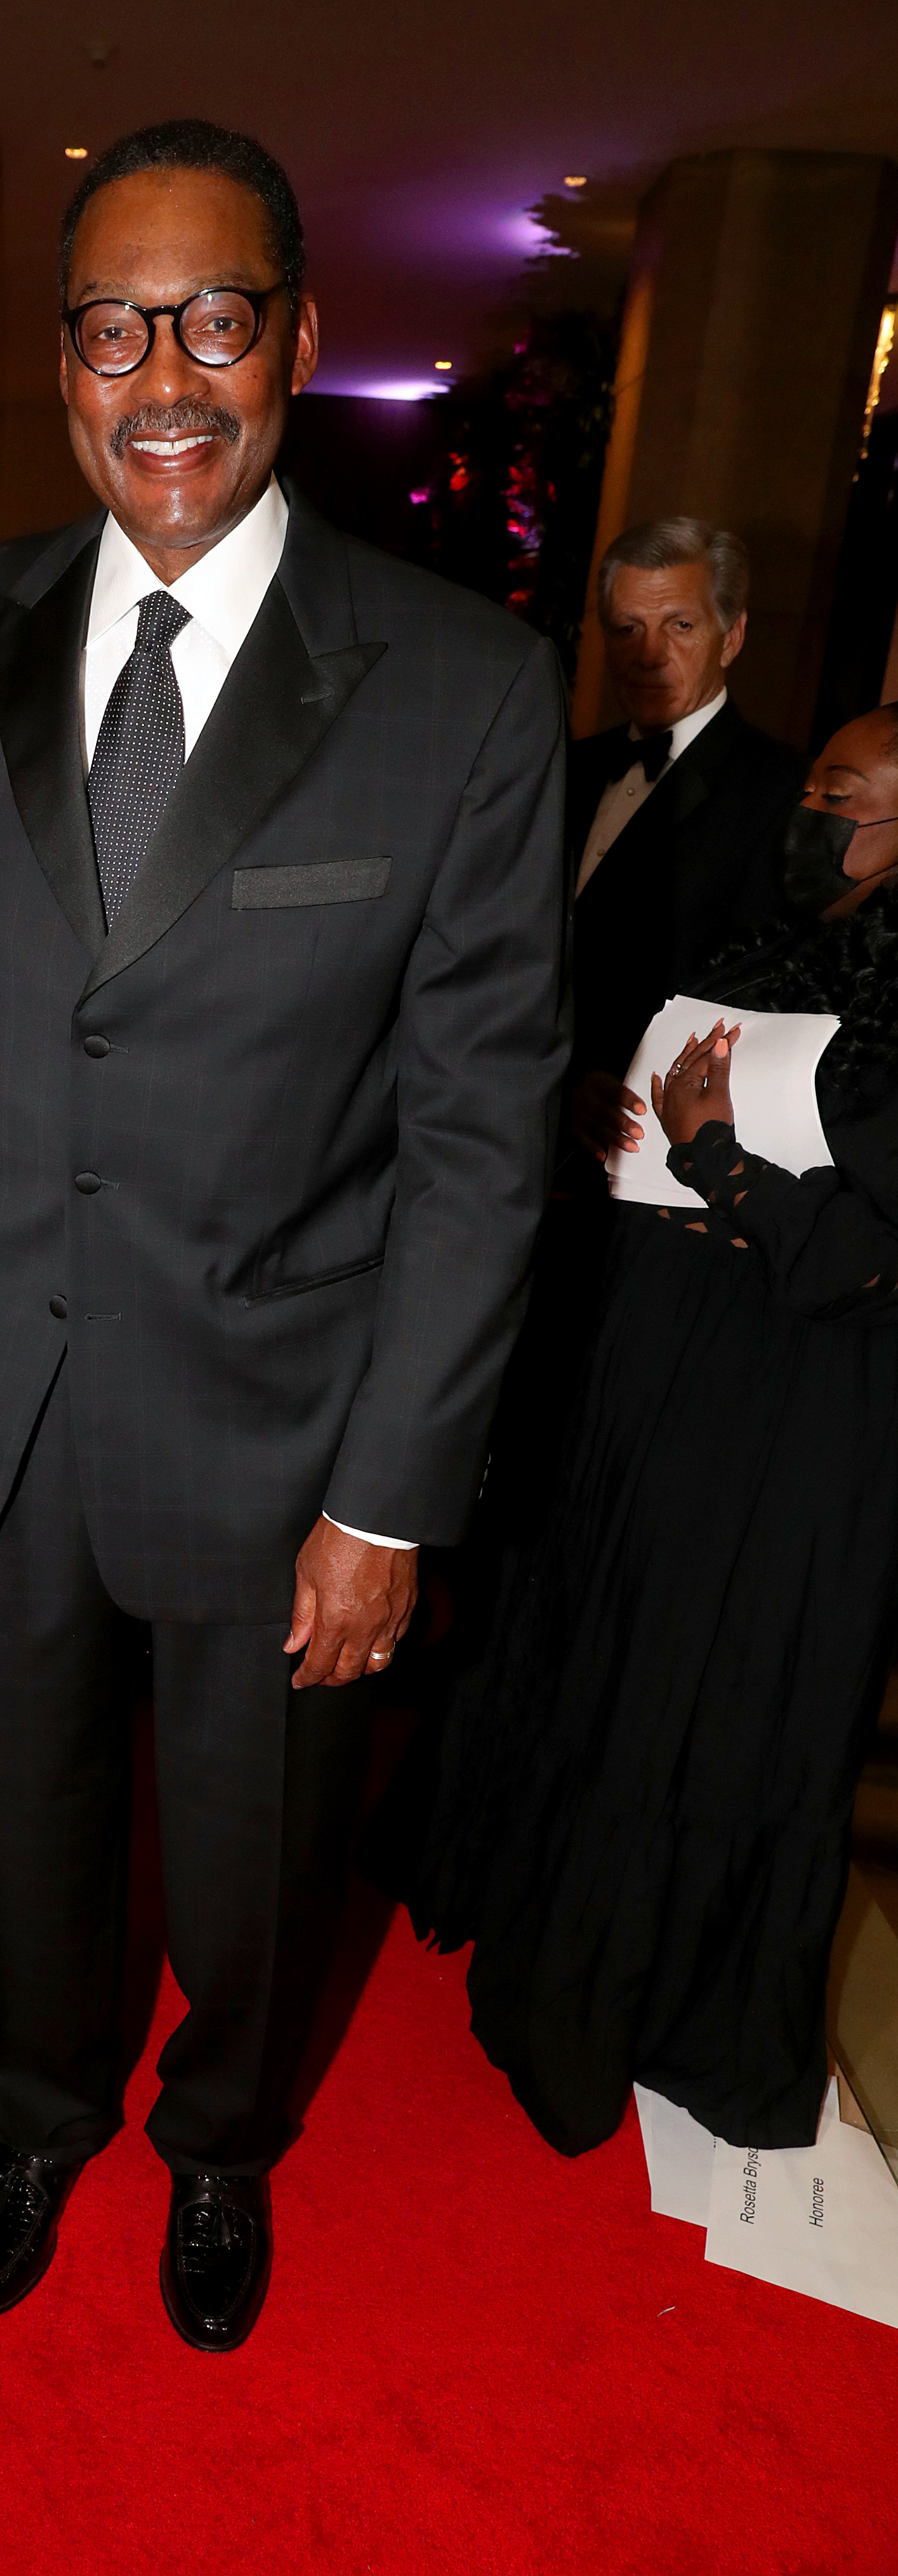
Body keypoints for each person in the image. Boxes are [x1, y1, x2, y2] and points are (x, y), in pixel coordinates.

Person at [0, 120, 569, 2352]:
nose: (160, 371)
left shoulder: (457, 687)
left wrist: (386, 1495)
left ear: (297, 333)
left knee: (261, 1853)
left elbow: (479, 1139)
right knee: (27, 1818)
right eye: (111, 324)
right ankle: (41, 2107)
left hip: (286, 1443)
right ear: (65, 358)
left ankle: (213, 2147)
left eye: (211, 314)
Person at [394, 704, 898, 2158]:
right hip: (656, 1359)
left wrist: (721, 1160)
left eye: (841, 793)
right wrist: (610, 1116)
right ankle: (538, 1918)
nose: (811, 811)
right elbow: (669, 1073)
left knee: (712, 1674)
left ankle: (657, 2001)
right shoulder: (772, 936)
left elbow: (876, 1249)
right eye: (810, 785)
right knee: (601, 1636)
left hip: (797, 1407)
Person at [567, 518, 806, 1168]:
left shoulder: (782, 790)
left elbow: (764, 994)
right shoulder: (563, 767)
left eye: (679, 626)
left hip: (654, 1161)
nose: (647, 655)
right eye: (626, 629)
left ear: (731, 637)